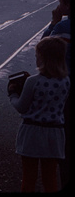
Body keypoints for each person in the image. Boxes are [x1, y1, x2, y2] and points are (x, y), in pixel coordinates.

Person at [8, 36, 69, 192]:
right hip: (54, 135)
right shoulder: (66, 81)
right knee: (50, 179)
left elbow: (21, 106)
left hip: (32, 133)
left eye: (37, 56)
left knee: (29, 178)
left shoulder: (33, 81)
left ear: (43, 58)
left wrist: (13, 94)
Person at [41, 0, 70, 189]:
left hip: (66, 93)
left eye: (61, 1)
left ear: (66, 6)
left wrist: (54, 22)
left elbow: (44, 50)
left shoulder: (62, 28)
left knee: (65, 146)